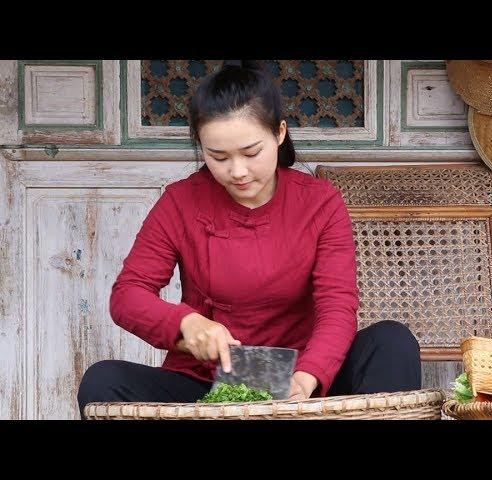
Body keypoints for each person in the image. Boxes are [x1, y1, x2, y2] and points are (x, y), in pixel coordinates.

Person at [77, 60, 421, 418]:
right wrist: (185, 323)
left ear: (279, 133)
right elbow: (128, 295)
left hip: (305, 375)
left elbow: (337, 307)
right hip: (207, 383)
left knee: (391, 341)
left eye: (251, 152)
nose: (238, 171)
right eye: (219, 157)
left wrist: (305, 380)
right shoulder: (180, 202)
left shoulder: (319, 202)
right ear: (200, 144)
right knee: (103, 381)